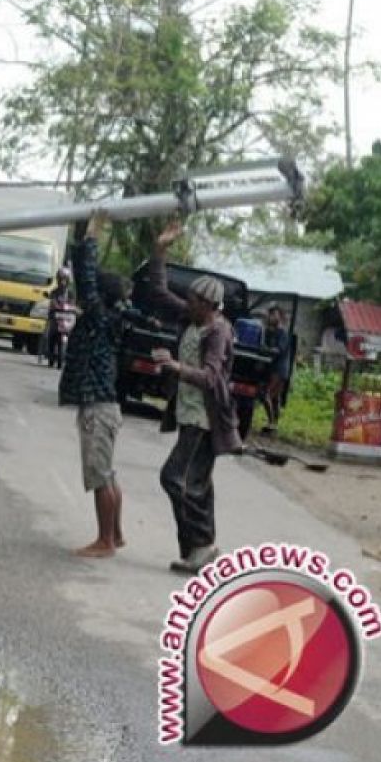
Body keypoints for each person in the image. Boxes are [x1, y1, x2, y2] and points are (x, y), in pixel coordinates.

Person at [149, 221, 242, 575]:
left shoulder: (218, 331)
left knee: (176, 478)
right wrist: (161, 250)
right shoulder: (193, 319)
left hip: (205, 419)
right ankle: (198, 549)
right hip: (189, 414)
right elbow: (158, 293)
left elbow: (212, 376)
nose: (186, 302)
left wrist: (174, 366)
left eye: (193, 300)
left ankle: (201, 545)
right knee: (195, 483)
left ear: (209, 304)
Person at [58, 211, 131, 558]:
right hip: (107, 406)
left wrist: (91, 238)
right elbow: (83, 279)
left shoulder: (100, 318)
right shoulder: (108, 317)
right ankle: (114, 535)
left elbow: (85, 281)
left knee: (100, 475)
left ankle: (104, 542)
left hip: (98, 408)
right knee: (108, 473)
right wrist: (79, 236)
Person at [261, 304, 292, 435]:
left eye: (274, 314)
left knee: (267, 394)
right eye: (270, 314)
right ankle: (273, 423)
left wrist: (266, 350)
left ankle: (272, 423)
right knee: (274, 398)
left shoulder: (282, 333)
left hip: (279, 369)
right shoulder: (269, 332)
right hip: (273, 367)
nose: (271, 317)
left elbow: (279, 350)